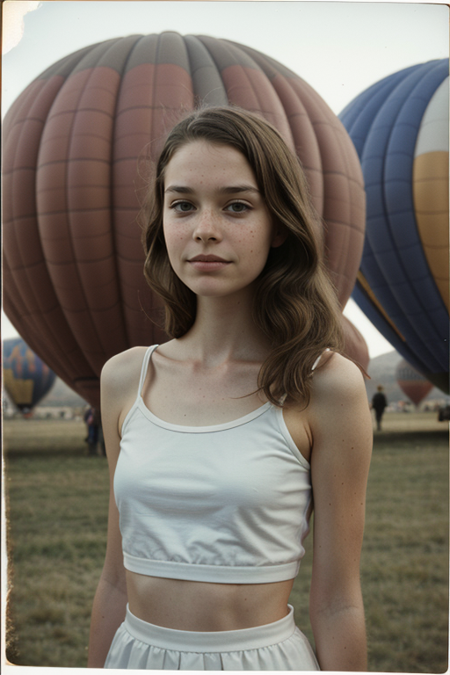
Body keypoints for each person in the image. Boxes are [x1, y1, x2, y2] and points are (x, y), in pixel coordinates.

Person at [87, 107, 373, 671]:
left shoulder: (325, 385)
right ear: (162, 220)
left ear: (280, 224)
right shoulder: (124, 378)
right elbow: (116, 580)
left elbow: (338, 602)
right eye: (183, 204)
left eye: (236, 205)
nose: (204, 229)